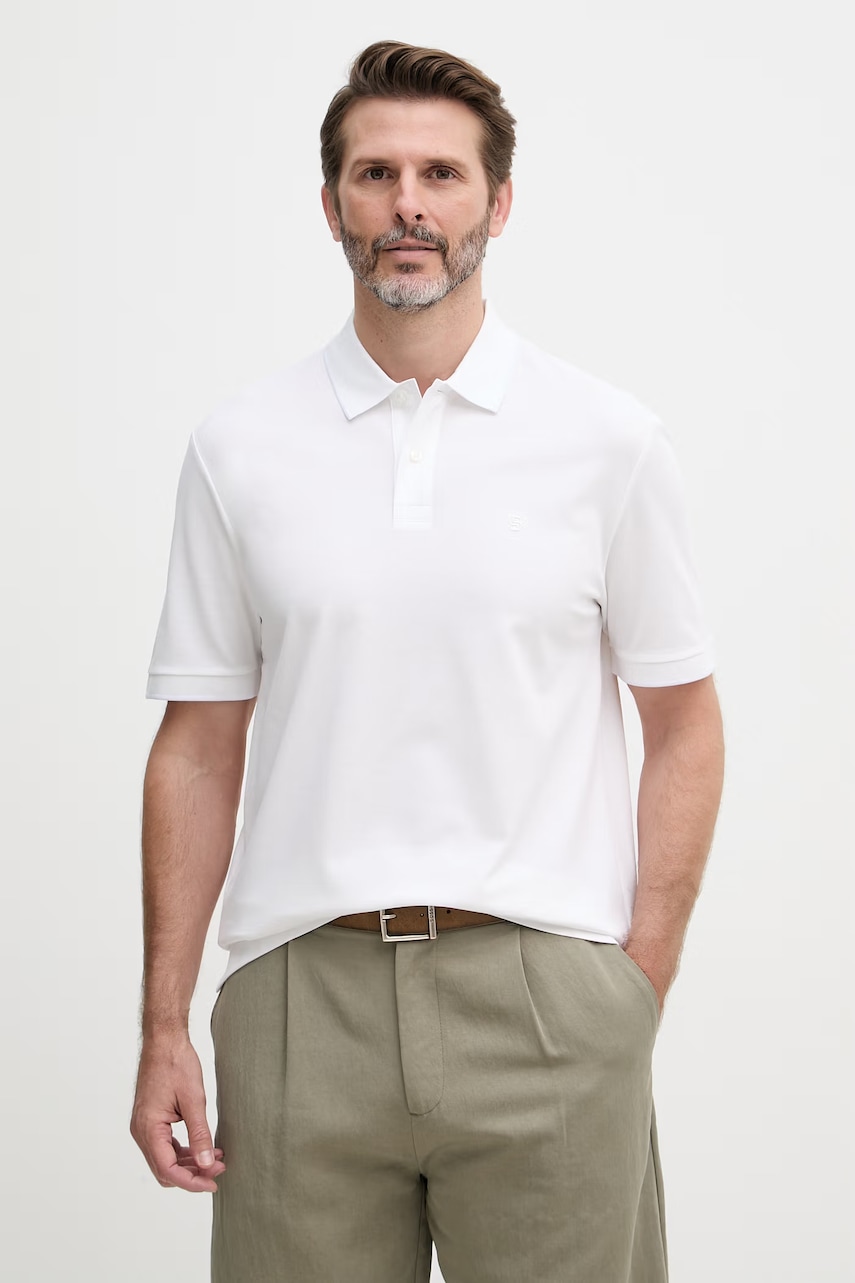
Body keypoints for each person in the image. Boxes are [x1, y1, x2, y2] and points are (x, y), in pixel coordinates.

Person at [131, 38, 725, 1283]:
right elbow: (197, 746)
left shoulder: (607, 442)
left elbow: (684, 720)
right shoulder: (240, 448)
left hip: (546, 998)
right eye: (377, 173)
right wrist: (163, 1020)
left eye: (442, 175)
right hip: (302, 1004)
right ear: (332, 204)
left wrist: (633, 986)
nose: (409, 203)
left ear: (497, 204)